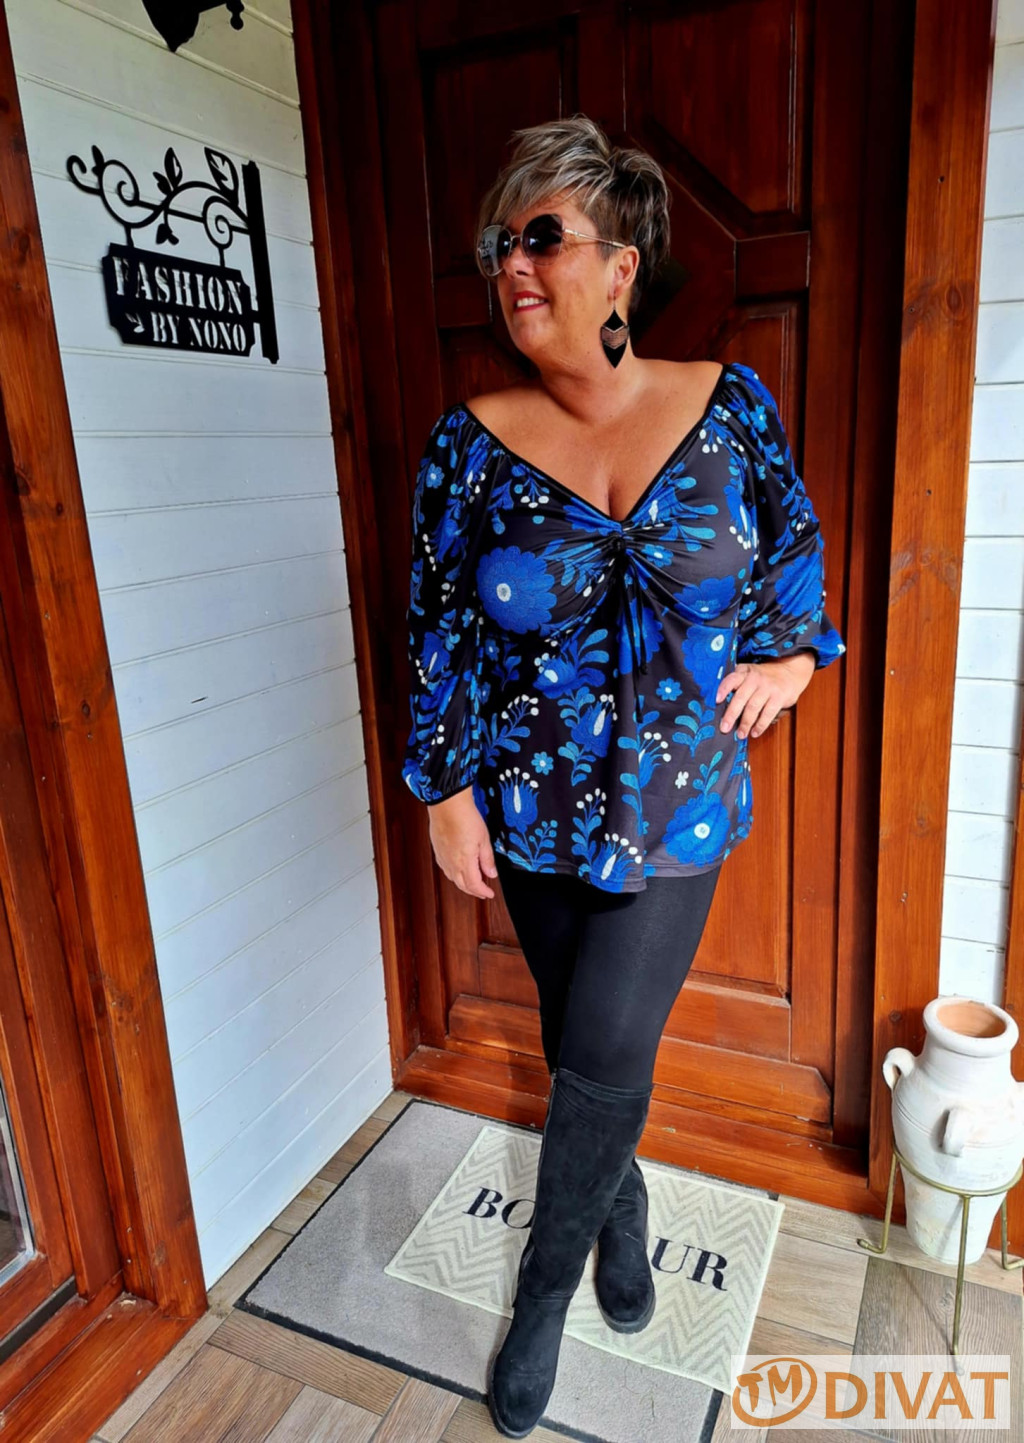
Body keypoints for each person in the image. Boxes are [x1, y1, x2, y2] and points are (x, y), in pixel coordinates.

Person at [401, 114, 846, 1438]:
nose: (512, 265)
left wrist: (795, 660)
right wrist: (444, 794)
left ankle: (542, 1295)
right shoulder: (468, 446)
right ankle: (625, 1201)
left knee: (601, 1047)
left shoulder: (729, 407)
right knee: (588, 1048)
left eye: (542, 236)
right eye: (499, 245)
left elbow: (794, 553)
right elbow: (437, 629)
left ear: (620, 268)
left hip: (679, 803)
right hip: (529, 811)